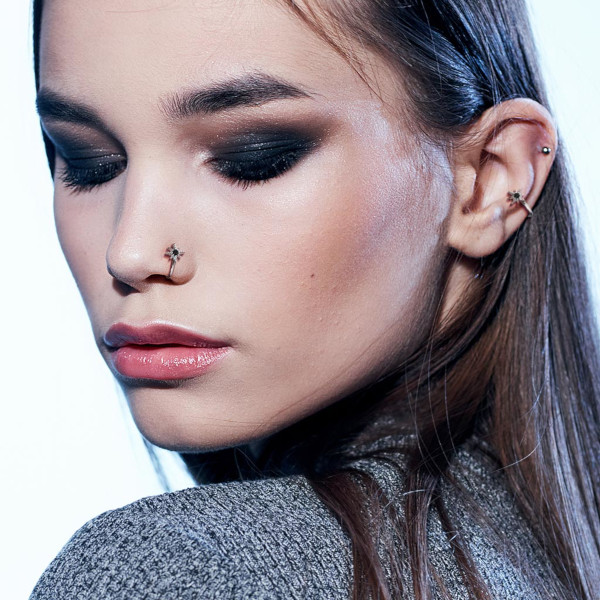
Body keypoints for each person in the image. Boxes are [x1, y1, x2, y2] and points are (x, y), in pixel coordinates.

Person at [29, 0, 600, 598]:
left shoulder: (184, 568)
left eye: (253, 159)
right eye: (89, 162)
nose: (129, 251)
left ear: (489, 181)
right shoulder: (543, 556)